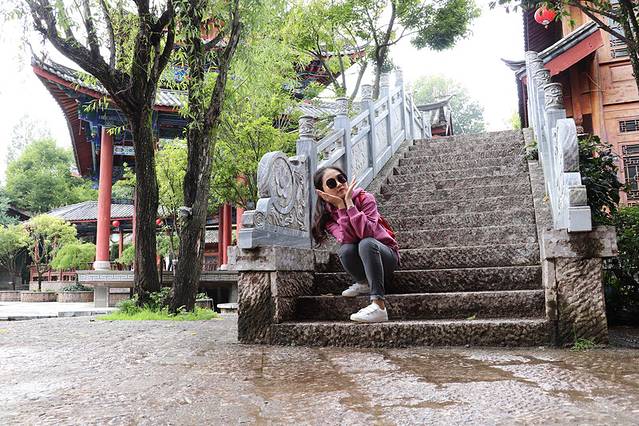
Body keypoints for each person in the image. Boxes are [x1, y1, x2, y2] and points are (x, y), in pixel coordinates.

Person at [312, 166, 399, 323]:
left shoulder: (365, 198)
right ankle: (364, 282)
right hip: (364, 257)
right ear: (322, 192)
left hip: (386, 257)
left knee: (366, 243)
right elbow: (348, 239)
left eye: (341, 178)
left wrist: (349, 204)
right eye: (331, 183)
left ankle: (379, 306)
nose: (339, 184)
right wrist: (341, 207)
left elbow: (367, 232)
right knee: (345, 250)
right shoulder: (328, 218)